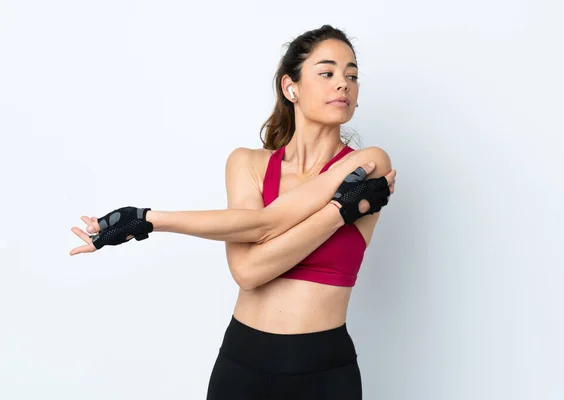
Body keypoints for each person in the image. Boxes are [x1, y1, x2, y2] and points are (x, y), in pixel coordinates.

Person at [70, 24, 396, 399]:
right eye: (326, 73)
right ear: (291, 87)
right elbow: (249, 269)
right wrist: (340, 211)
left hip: (323, 370)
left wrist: (151, 220)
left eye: (352, 76)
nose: (343, 84)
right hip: (242, 365)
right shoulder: (247, 164)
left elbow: (264, 233)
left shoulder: (370, 162)